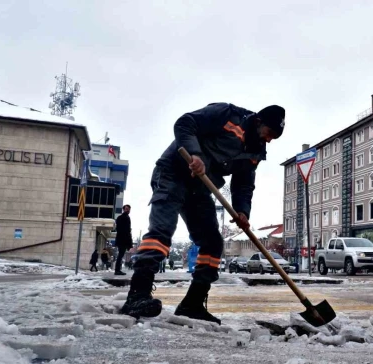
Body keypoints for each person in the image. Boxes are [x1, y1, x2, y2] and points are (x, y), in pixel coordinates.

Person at [120, 103, 285, 324]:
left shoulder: (255, 151)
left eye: (275, 138)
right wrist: (195, 154)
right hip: (174, 172)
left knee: (212, 243)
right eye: (270, 134)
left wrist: (242, 211)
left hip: (199, 187)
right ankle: (137, 295)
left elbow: (244, 184)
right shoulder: (228, 115)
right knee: (162, 231)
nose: (269, 140)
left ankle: (192, 304)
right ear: (259, 122)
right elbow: (185, 123)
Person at [114, 205, 133, 276]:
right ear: (123, 209)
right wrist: (128, 242)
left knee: (120, 255)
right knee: (120, 255)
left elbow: (127, 231)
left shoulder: (126, 217)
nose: (128, 210)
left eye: (129, 209)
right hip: (122, 240)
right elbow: (123, 230)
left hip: (123, 239)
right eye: (127, 209)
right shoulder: (121, 217)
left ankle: (118, 270)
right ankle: (117, 270)